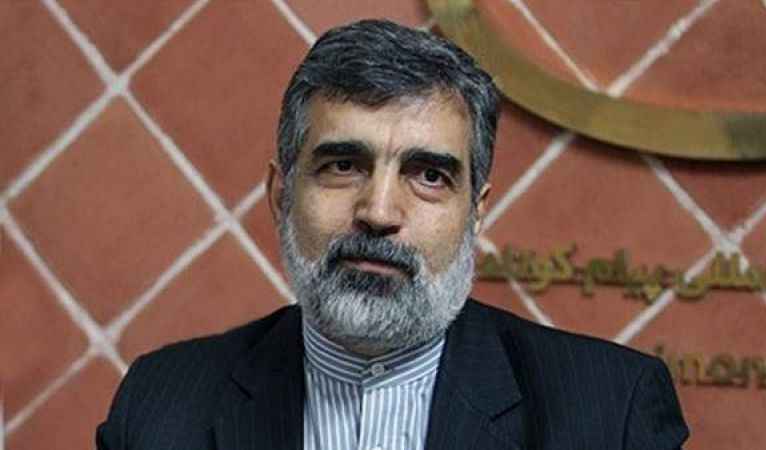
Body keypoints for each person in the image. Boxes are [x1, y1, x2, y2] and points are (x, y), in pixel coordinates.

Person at [97, 19, 689, 450]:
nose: (379, 212)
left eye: (429, 175)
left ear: (475, 212)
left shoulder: (610, 414)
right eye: (343, 165)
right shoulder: (161, 406)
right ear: (281, 195)